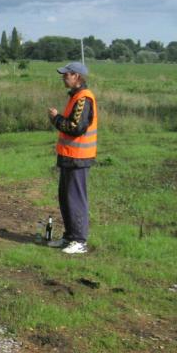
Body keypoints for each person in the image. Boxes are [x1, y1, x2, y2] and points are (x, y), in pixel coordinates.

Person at [48, 61, 97, 254]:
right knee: (66, 198)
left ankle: (79, 241)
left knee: (75, 199)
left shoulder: (84, 98)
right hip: (69, 156)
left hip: (78, 157)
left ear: (77, 76)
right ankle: (69, 237)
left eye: (66, 74)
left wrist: (56, 118)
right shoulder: (75, 96)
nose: (63, 77)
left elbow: (76, 127)